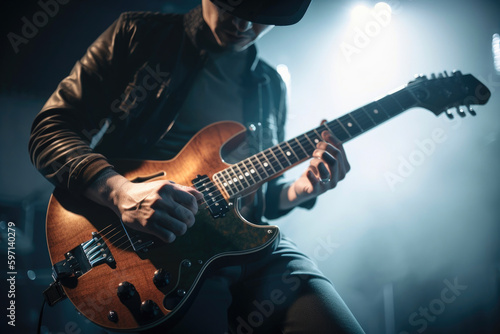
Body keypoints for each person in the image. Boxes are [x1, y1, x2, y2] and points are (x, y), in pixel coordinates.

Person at [29, 0, 365, 332]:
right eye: (234, 10)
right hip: (157, 252)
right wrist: (120, 193)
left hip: (253, 247)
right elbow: (49, 131)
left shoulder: (270, 85)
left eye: (260, 18)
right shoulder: (139, 34)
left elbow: (256, 196)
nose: (244, 26)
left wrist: (298, 190)